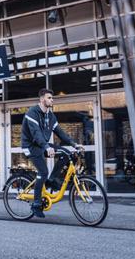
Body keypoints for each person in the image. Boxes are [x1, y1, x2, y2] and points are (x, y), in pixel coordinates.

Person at [21, 88, 84, 218]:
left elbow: (60, 133)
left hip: (42, 144)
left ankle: (51, 180)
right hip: (31, 146)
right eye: (49, 98)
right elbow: (36, 134)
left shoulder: (50, 115)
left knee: (67, 154)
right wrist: (46, 147)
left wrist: (74, 144)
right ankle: (36, 204)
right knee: (42, 171)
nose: (52, 100)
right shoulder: (32, 113)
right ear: (42, 99)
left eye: (52, 98)